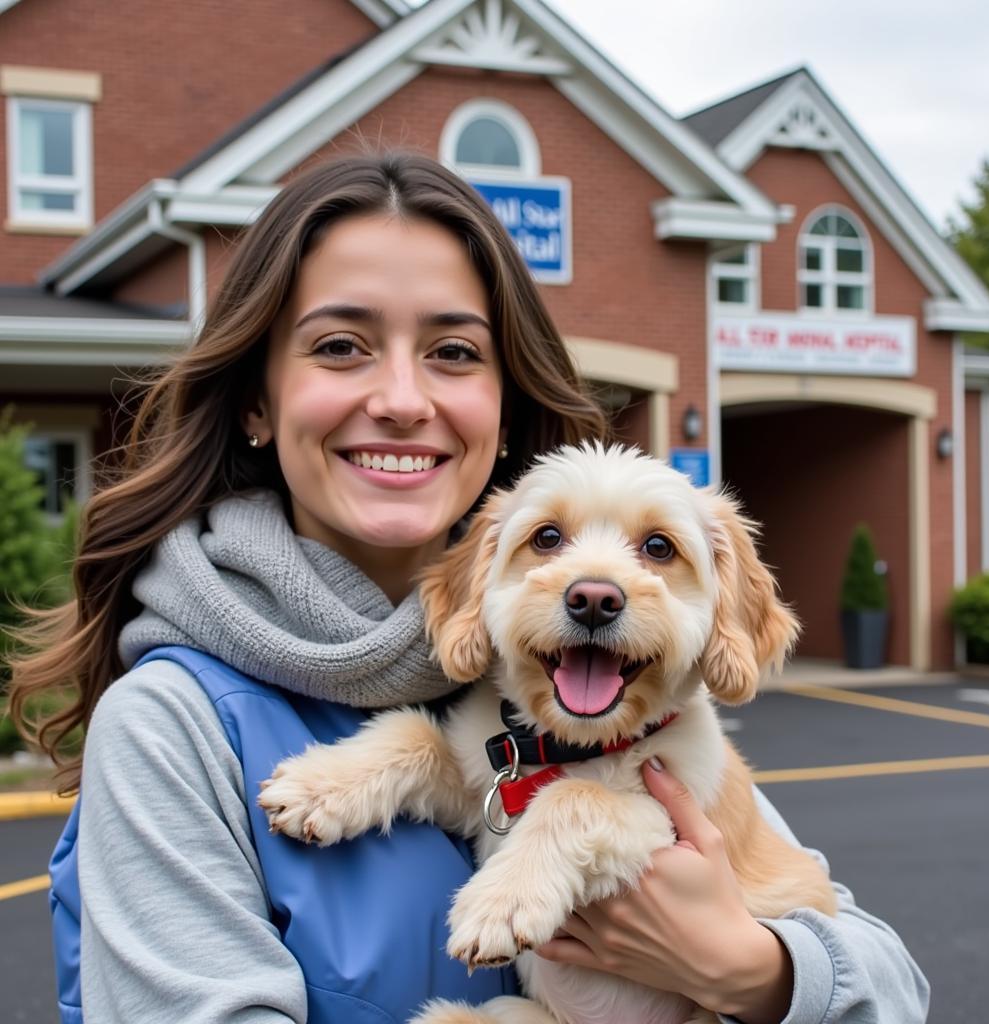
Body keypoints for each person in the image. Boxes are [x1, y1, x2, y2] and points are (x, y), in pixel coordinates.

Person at [9, 153, 929, 1024]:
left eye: (453, 352)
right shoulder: (175, 726)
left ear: (501, 403)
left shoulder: (599, 700)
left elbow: (890, 986)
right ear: (258, 400)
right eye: (340, 345)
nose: (404, 398)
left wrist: (751, 970)